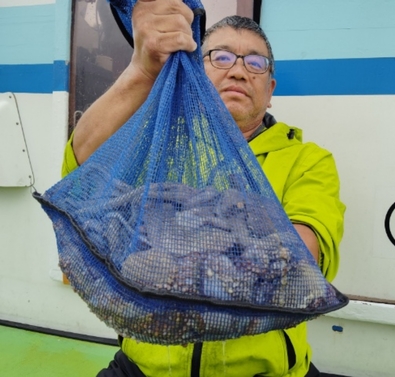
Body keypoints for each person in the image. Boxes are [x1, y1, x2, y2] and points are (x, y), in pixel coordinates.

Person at [62, 1, 345, 376]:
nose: (240, 71)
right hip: (143, 367)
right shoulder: (160, 144)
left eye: (255, 63)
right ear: (197, 70)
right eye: (222, 57)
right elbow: (83, 174)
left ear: (271, 88)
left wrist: (170, 250)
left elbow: (303, 257)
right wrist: (142, 68)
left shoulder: (308, 160)